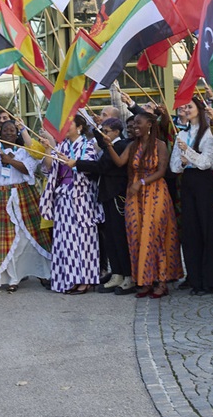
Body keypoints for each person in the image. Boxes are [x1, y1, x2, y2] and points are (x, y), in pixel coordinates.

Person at [0, 120, 52, 290]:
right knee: (8, 240)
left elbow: (27, 169)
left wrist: (10, 161)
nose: (9, 132)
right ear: (0, 133)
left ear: (16, 134)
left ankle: (44, 274)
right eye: (6, 130)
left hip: (23, 194)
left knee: (30, 238)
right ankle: (13, 279)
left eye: (12, 130)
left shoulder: (23, 151)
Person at [171, 97, 213, 295]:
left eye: (189, 106)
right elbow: (175, 166)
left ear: (199, 109)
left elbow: (206, 162)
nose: (185, 110)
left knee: (207, 230)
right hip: (187, 184)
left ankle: (211, 280)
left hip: (204, 184)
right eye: (183, 107)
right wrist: (185, 159)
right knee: (191, 232)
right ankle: (195, 279)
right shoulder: (182, 133)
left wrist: (188, 153)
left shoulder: (209, 134)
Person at [121, 110, 182, 298]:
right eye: (133, 124)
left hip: (155, 191)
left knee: (156, 235)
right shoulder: (133, 146)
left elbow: (162, 170)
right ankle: (145, 279)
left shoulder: (160, 145)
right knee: (136, 234)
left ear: (149, 125)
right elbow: (119, 162)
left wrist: (141, 183)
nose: (134, 127)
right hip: (135, 195)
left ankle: (162, 281)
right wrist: (106, 144)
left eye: (138, 123)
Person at [41, 113, 103, 294]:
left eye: (70, 124)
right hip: (63, 197)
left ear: (80, 127)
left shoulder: (88, 146)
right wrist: (47, 148)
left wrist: (75, 164)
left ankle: (85, 280)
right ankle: (69, 279)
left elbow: (93, 168)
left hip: (82, 198)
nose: (66, 127)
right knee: (64, 240)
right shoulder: (61, 145)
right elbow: (48, 167)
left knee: (83, 239)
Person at [76, 116, 133, 294]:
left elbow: (104, 166)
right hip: (106, 195)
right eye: (102, 131)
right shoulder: (109, 146)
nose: (103, 135)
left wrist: (76, 163)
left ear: (116, 131)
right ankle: (116, 272)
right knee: (111, 237)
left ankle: (128, 275)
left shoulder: (121, 146)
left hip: (117, 196)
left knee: (120, 237)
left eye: (106, 131)